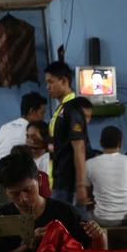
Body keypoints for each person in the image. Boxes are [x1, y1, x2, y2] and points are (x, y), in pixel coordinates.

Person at [0, 151, 104, 252]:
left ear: (39, 180)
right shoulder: (0, 219)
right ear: (5, 191)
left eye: (28, 190)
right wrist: (27, 246)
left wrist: (99, 236)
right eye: (15, 193)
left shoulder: (65, 212)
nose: (23, 199)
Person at [43, 61, 89, 207]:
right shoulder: (61, 109)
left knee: (75, 227)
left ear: (64, 81)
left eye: (50, 82)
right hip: (58, 179)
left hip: (69, 184)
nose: (47, 87)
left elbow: (79, 147)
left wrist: (81, 185)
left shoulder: (73, 108)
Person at [85, 125, 127, 226]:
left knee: (85, 216)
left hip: (102, 219)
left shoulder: (89, 164)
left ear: (101, 143)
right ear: (120, 143)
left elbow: (86, 191)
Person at [0, 92, 47, 168]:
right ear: (31, 111)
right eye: (42, 113)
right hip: (4, 174)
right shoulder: (32, 133)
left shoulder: (5, 127)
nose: (43, 118)